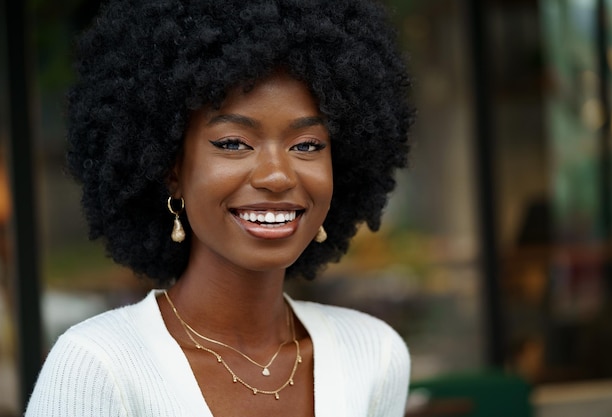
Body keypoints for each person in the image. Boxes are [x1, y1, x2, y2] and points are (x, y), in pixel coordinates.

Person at [26, 0, 414, 416]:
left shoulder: (375, 355)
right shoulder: (100, 367)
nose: (277, 176)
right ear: (171, 168)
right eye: (233, 143)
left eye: (307, 145)